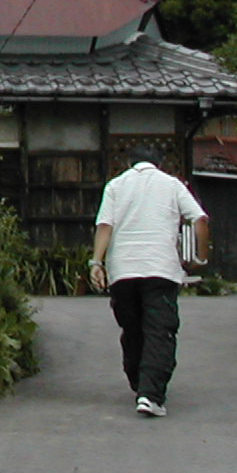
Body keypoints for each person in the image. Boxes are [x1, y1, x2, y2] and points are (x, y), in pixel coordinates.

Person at [88, 144, 210, 417]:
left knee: (132, 329)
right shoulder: (172, 185)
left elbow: (104, 225)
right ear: (159, 163)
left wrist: (96, 262)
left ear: (131, 163)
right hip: (161, 269)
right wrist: (200, 258)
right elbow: (200, 219)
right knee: (160, 330)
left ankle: (139, 382)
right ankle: (150, 394)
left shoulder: (116, 186)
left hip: (123, 270)